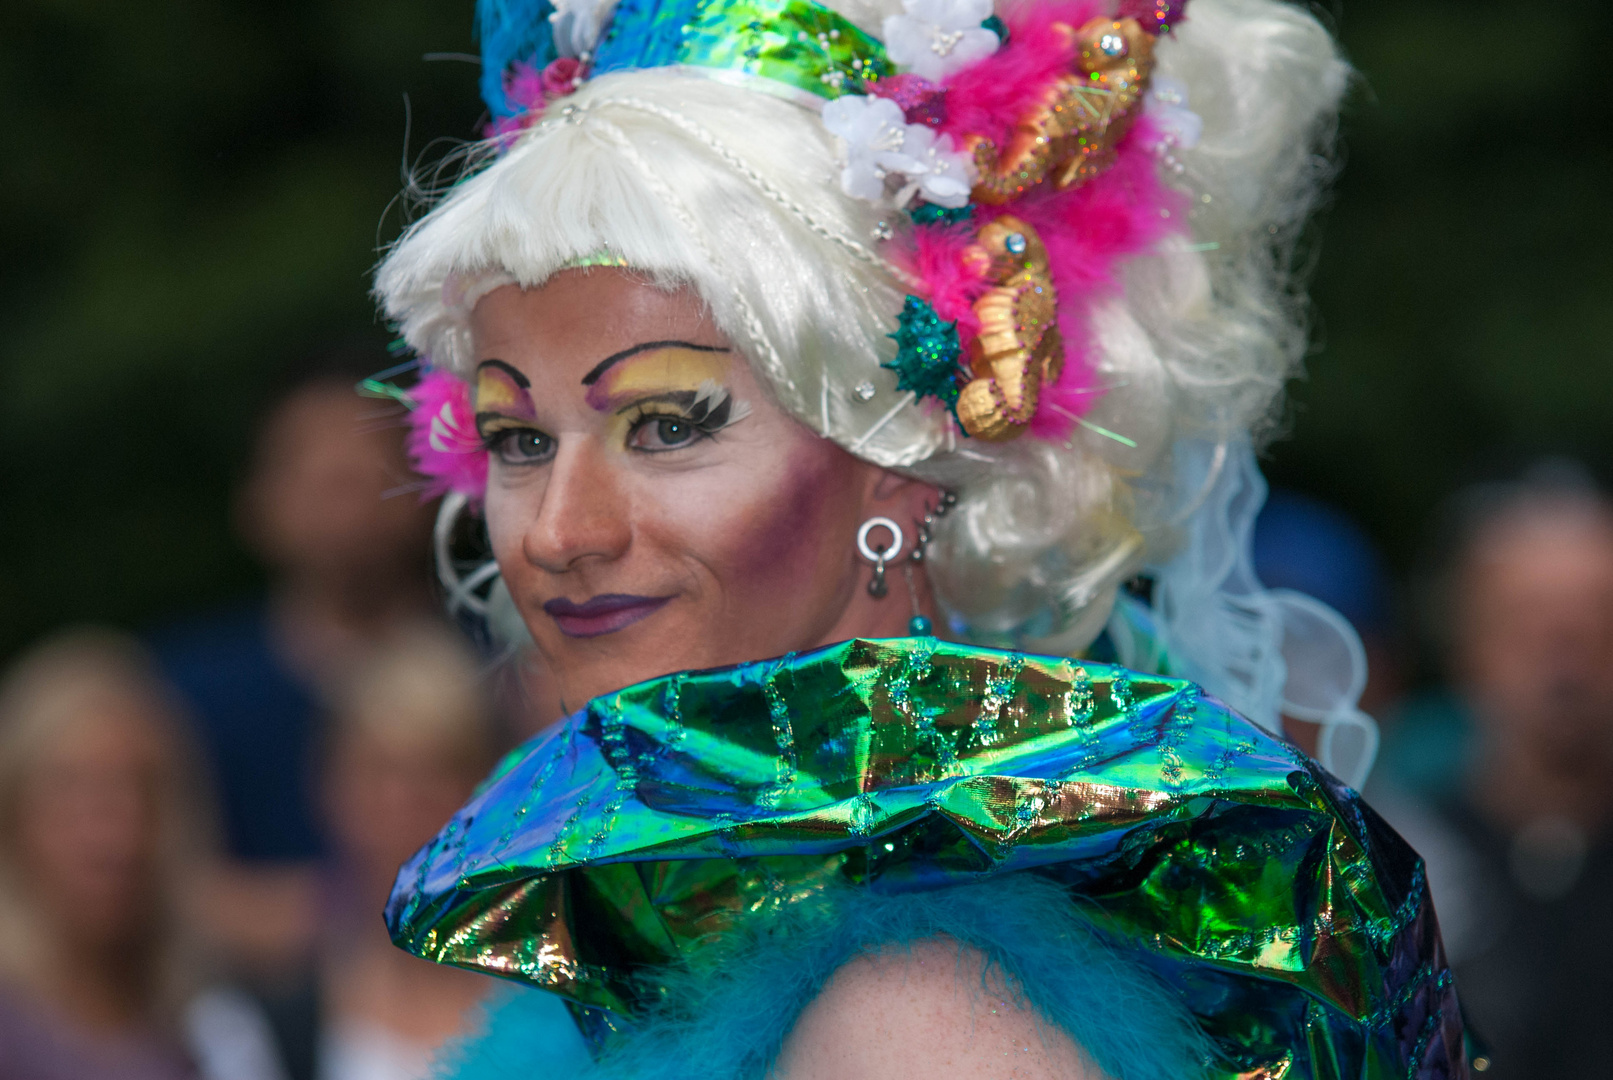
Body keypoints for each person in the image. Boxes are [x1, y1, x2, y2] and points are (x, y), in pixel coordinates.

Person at [366, 0, 1465, 1076]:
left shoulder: (920, 1021)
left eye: (665, 425)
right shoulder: (710, 929)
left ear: (896, 468)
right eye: (516, 439)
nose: (560, 530)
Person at [151, 354, 442, 981]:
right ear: (258, 502)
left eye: (372, 471)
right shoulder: (181, 694)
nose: (347, 498)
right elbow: (148, 881)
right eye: (316, 474)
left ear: (427, 493)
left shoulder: (505, 674)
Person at [1370, 468, 1613, 1077]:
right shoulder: (1393, 875)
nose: (1566, 656)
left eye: (1595, 619)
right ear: (1464, 644)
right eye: (1527, 622)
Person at [0, 629, 287, 1080]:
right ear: (14, 817)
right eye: (74, 796)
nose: (115, 838)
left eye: (142, 794)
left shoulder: (212, 1029)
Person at [315, 625, 508, 1080]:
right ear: (330, 787)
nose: (400, 807)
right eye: (377, 772)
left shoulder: (550, 1006)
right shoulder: (280, 1023)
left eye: (434, 775)